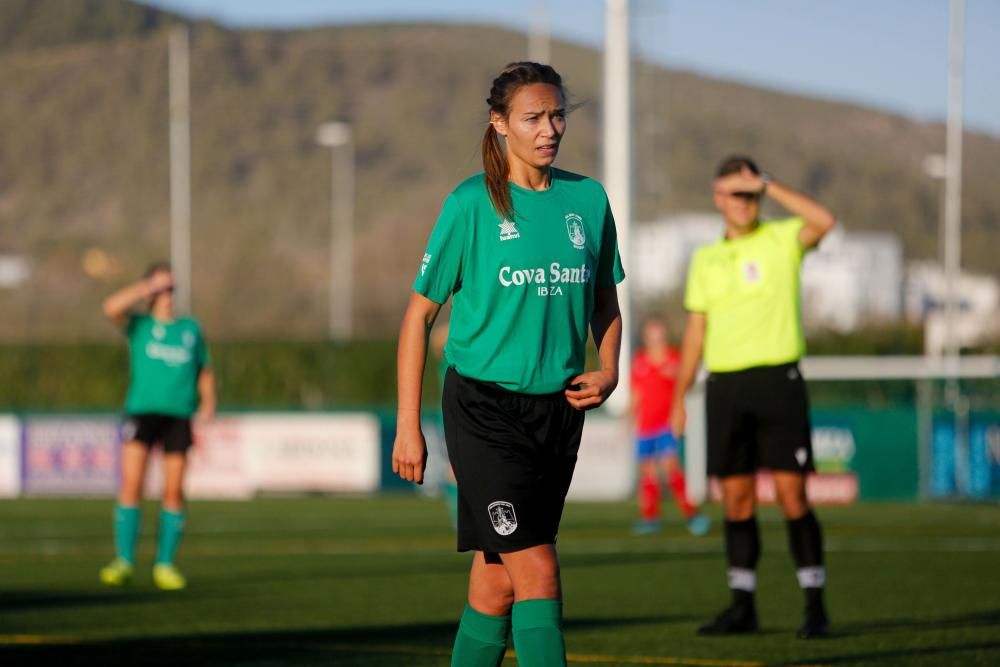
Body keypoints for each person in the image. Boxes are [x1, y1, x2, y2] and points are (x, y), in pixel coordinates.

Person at [392, 62, 625, 667]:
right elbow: (417, 318)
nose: (549, 129)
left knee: (497, 581)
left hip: (559, 412)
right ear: (499, 124)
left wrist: (610, 368)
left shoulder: (589, 200)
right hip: (483, 410)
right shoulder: (471, 204)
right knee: (538, 570)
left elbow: (606, 299)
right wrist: (407, 424)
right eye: (532, 118)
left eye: (557, 115)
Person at [670, 155, 836, 639]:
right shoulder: (704, 258)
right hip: (725, 388)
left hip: (778, 383)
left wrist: (768, 181)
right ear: (717, 197)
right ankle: (742, 606)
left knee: (791, 495)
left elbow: (824, 221)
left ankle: (815, 606)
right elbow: (695, 333)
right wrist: (680, 395)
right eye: (735, 192)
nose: (745, 202)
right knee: (736, 500)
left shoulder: (783, 239)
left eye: (751, 193)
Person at [99, 261, 215, 591]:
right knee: (132, 484)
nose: (168, 295)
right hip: (142, 413)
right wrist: (143, 289)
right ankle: (124, 561)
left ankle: (165, 564)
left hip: (178, 415)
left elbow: (204, 369)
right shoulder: (139, 325)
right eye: (162, 289)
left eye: (172, 289)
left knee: (173, 490)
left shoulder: (190, 329)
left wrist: (208, 402)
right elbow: (110, 307)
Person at [631, 316, 709, 537]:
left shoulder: (675, 359)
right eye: (651, 334)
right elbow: (636, 393)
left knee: (670, 468)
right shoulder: (640, 361)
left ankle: (692, 515)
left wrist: (681, 414)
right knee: (648, 473)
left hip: (666, 424)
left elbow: (686, 384)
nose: (655, 338)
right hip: (646, 425)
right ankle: (650, 518)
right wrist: (630, 416)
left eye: (659, 333)